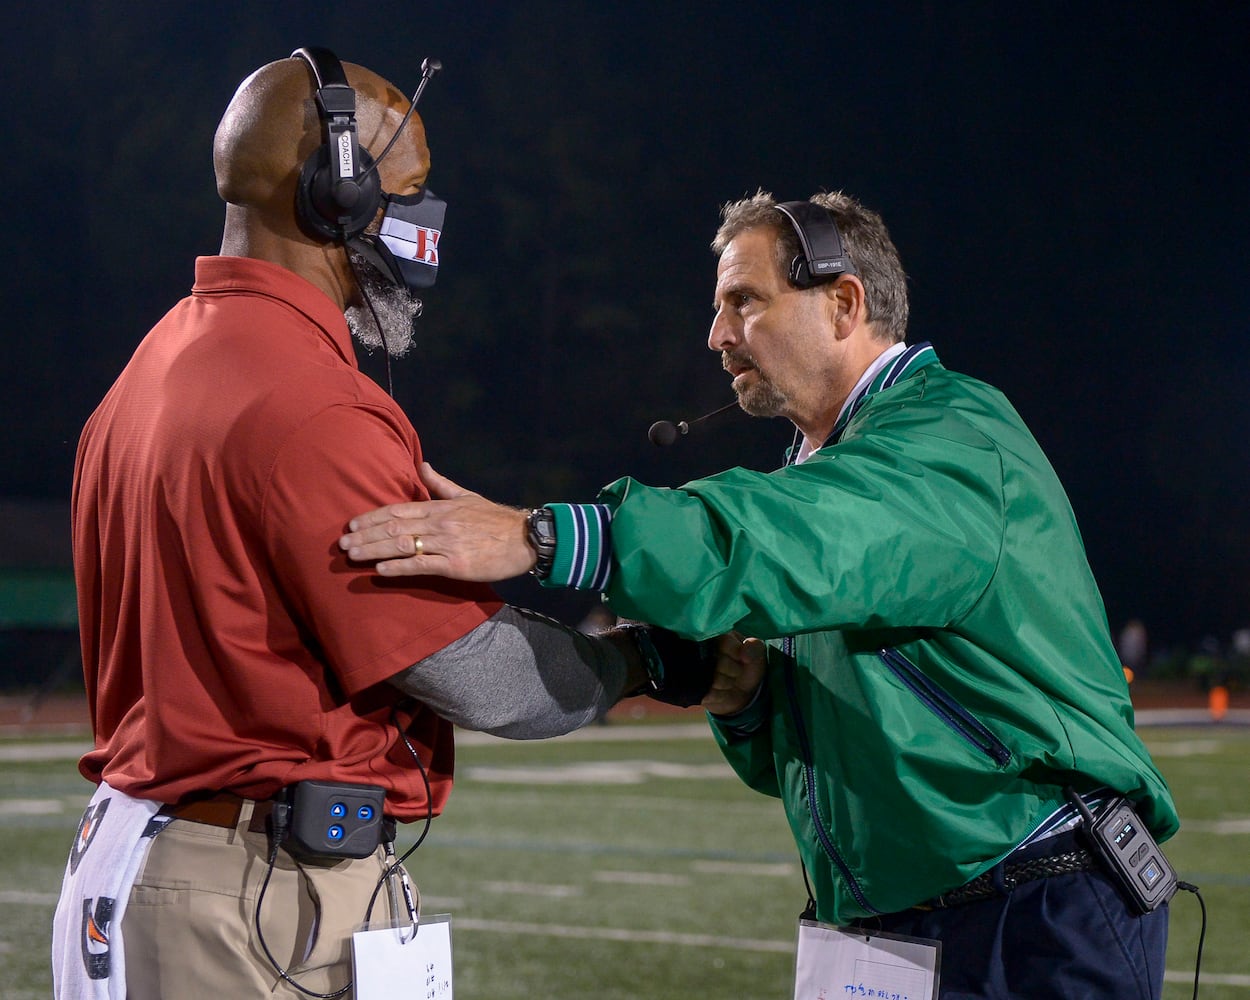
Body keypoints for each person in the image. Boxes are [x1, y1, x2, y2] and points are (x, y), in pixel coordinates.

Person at [339, 190, 1181, 998]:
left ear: (845, 304)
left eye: (744, 302)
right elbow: (833, 753)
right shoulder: (828, 470)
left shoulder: (951, 439)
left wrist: (543, 533)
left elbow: (784, 536)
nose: (716, 335)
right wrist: (749, 706)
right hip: (908, 922)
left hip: (1028, 909)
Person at [52, 47, 713, 1000]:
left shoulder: (150, 366)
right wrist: (649, 662)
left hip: (144, 859)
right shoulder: (313, 405)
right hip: (250, 891)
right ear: (335, 194)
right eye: (410, 190)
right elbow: (484, 683)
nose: (425, 220)